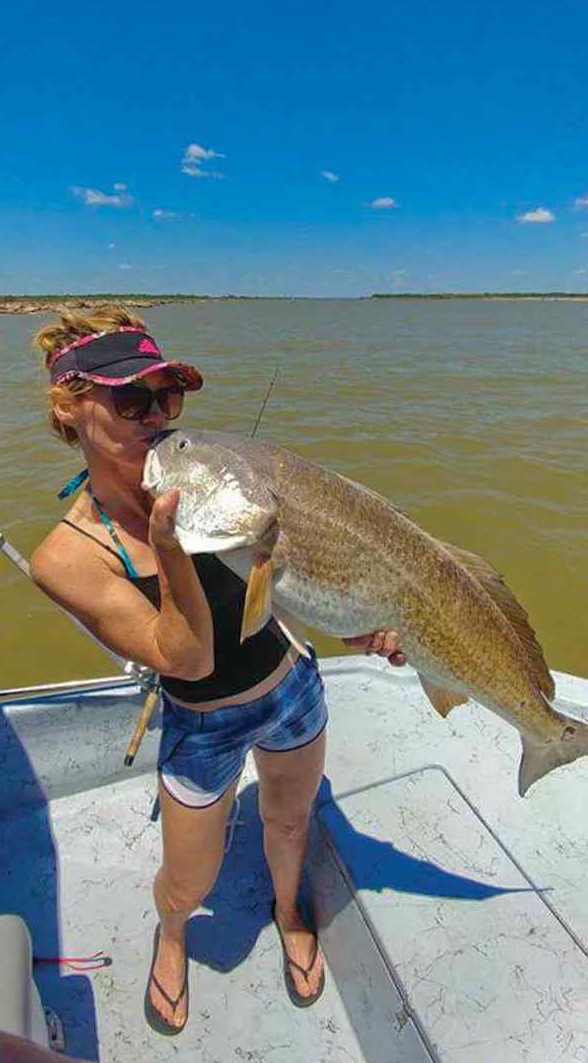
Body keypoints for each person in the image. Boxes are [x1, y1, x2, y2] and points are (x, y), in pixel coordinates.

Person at [30, 304, 406, 1035]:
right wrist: (171, 546)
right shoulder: (69, 558)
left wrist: (354, 621)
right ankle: (172, 937)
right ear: (70, 408)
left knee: (290, 824)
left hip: (292, 690)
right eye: (131, 398)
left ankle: (289, 909)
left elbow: (277, 586)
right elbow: (189, 658)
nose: (156, 416)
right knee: (188, 879)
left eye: (167, 396)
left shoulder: (212, 475)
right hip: (202, 721)